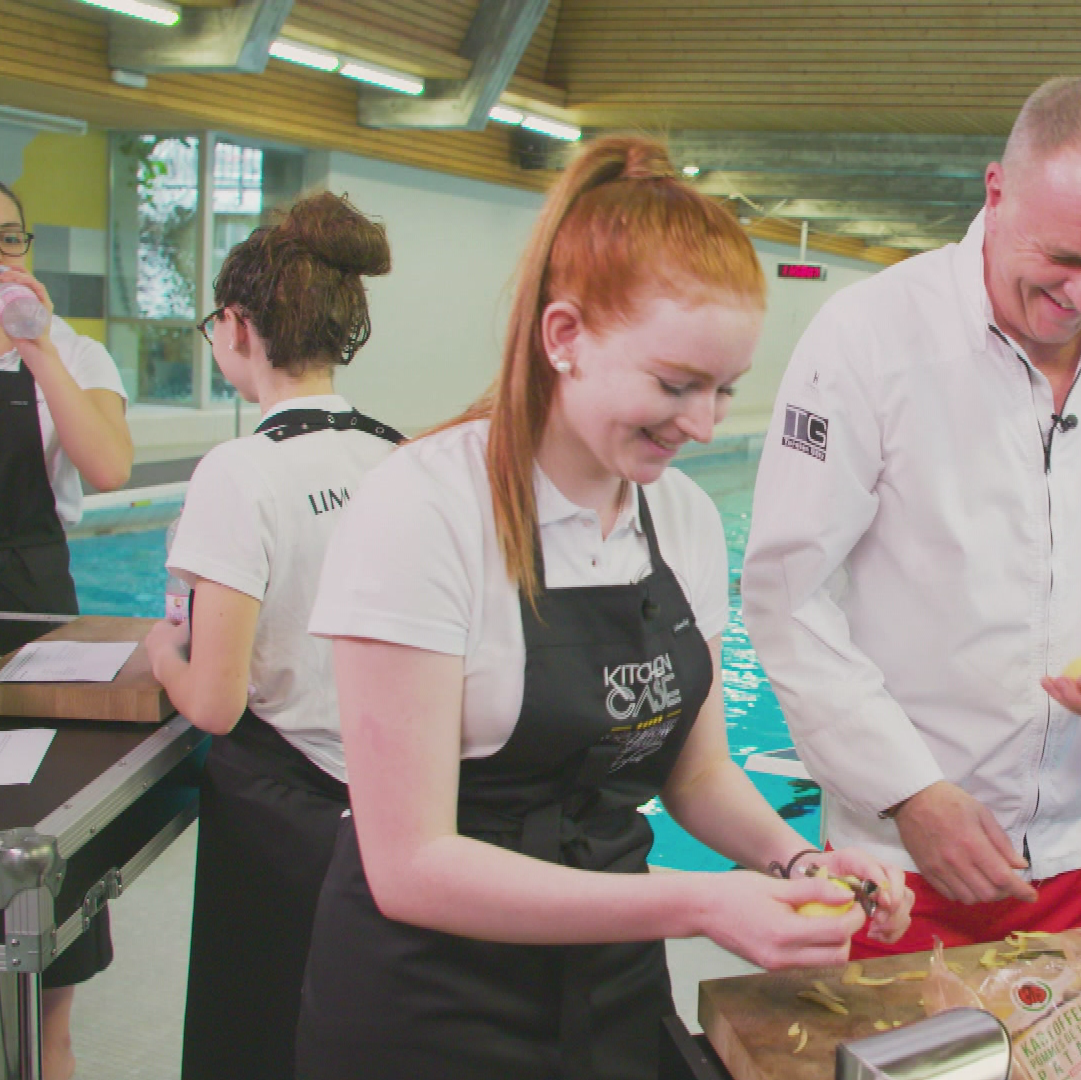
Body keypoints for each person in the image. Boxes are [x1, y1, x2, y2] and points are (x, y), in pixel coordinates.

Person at [294, 136, 912, 1080]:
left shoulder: (687, 522)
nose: (704, 424)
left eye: (723, 391)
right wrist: (701, 904)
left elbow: (695, 776)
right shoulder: (423, 509)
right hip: (425, 1007)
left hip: (610, 987)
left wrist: (796, 862)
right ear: (564, 337)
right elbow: (411, 863)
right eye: (676, 385)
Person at [742, 76, 1081, 958]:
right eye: (1063, 259)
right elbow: (787, 598)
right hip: (896, 867)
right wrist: (908, 793)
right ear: (996, 190)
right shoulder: (869, 336)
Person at [141, 191, 400, 1080]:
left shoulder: (241, 471)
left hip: (281, 823)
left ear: (240, 326)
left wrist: (159, 657)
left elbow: (214, 702)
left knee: (256, 1041)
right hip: (393, 811)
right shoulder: (398, 455)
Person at [0, 170, 133, 1079]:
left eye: (8, 238)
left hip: (30, 630)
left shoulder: (77, 354)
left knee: (43, 907)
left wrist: (39, 346)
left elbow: (110, 469)